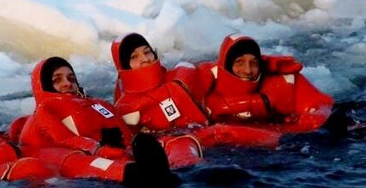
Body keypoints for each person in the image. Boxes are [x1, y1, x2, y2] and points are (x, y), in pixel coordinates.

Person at [18, 57, 179, 188]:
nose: (67, 83)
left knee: (148, 143)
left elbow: (127, 137)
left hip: (112, 154)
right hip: (74, 158)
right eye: (57, 80)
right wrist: (98, 149)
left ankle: (162, 169)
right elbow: (63, 138)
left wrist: (132, 148)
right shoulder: (45, 110)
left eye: (71, 78)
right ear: (45, 85)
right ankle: (133, 173)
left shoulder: (99, 104)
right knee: (79, 160)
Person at [200, 34, 366, 142]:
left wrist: (325, 121)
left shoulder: (282, 82)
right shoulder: (207, 87)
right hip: (249, 150)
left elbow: (320, 104)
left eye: (253, 62)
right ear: (226, 65)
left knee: (331, 122)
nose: (248, 70)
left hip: (291, 136)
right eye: (239, 63)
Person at [110, 33, 280, 150]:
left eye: (147, 52)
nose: (145, 59)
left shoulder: (181, 74)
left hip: (216, 138)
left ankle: (283, 142)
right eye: (134, 57)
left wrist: (268, 65)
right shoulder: (126, 108)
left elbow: (226, 68)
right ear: (124, 67)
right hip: (176, 149)